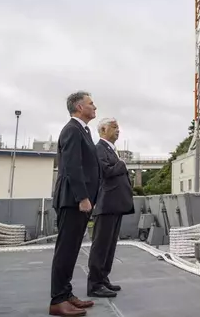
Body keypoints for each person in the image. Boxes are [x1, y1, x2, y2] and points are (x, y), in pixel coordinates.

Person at [49, 91, 101, 317]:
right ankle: (57, 300)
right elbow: (72, 166)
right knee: (65, 250)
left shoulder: (83, 130)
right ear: (80, 107)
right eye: (91, 103)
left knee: (71, 250)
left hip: (77, 200)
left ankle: (66, 293)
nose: (95, 107)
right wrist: (82, 197)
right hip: (72, 200)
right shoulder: (72, 129)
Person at [87, 118, 134, 297]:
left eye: (118, 127)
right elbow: (105, 171)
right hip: (106, 204)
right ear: (103, 129)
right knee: (101, 245)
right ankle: (95, 284)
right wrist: (121, 164)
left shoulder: (110, 150)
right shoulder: (99, 148)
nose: (118, 130)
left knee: (109, 245)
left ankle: (103, 278)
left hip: (115, 204)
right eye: (114, 127)